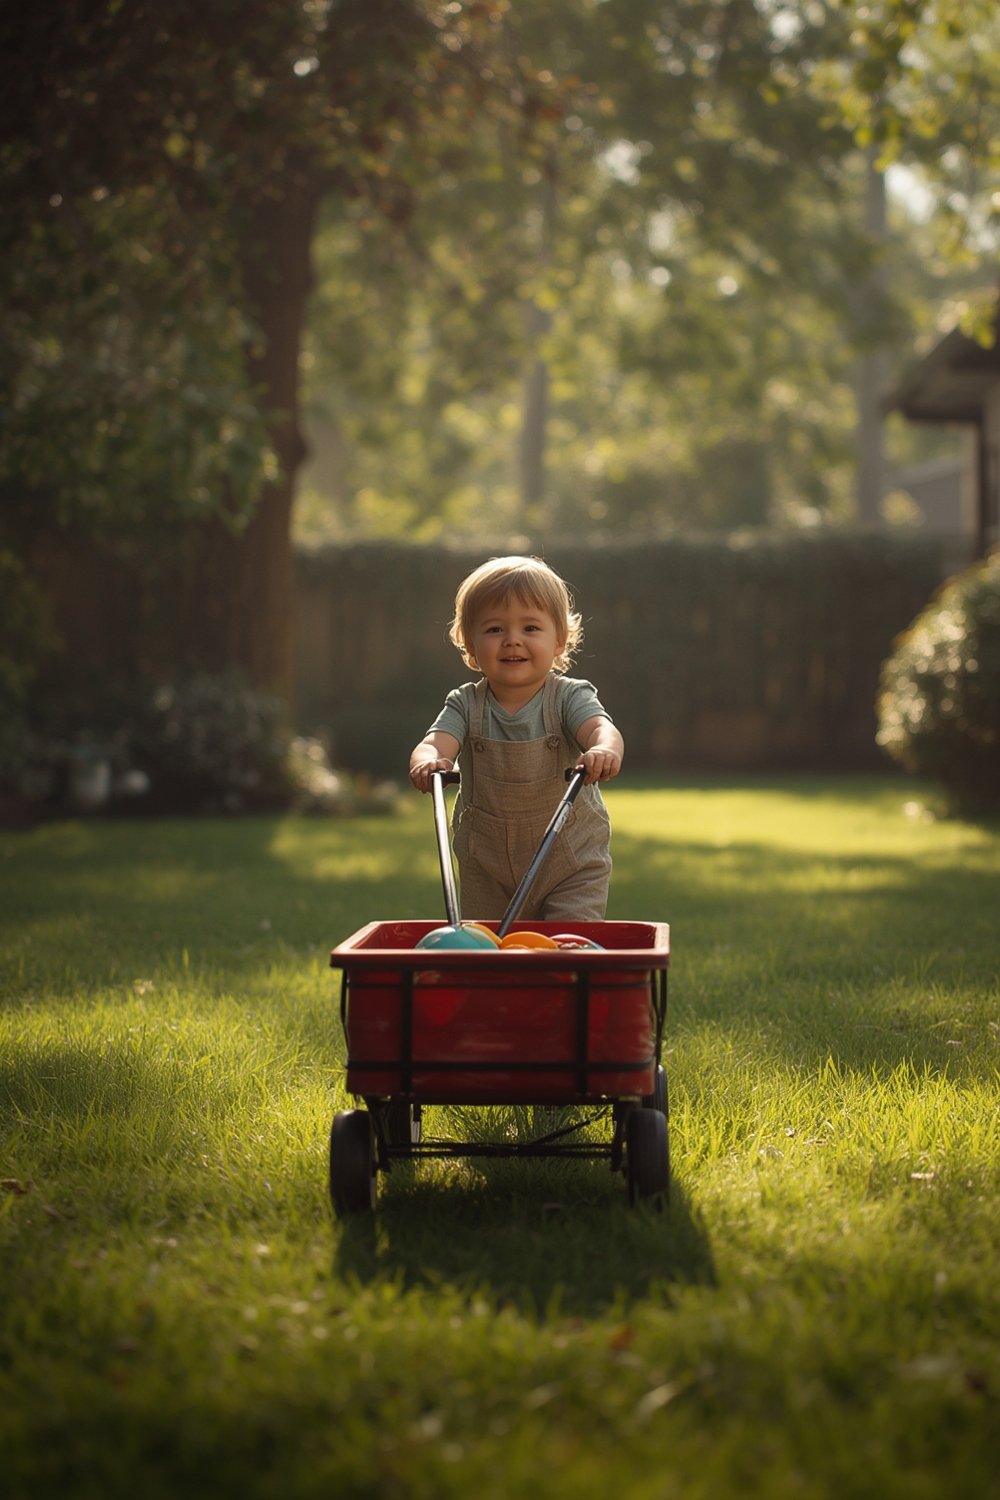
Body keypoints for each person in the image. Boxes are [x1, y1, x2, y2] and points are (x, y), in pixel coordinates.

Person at [409, 555, 624, 922]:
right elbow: (434, 743)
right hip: (486, 864)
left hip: (569, 859)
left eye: (530, 628)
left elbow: (601, 729)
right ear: (470, 645)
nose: (512, 640)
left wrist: (603, 749)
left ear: (559, 640)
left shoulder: (568, 697)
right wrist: (428, 760)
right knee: (491, 943)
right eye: (495, 629)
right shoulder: (465, 703)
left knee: (567, 940)